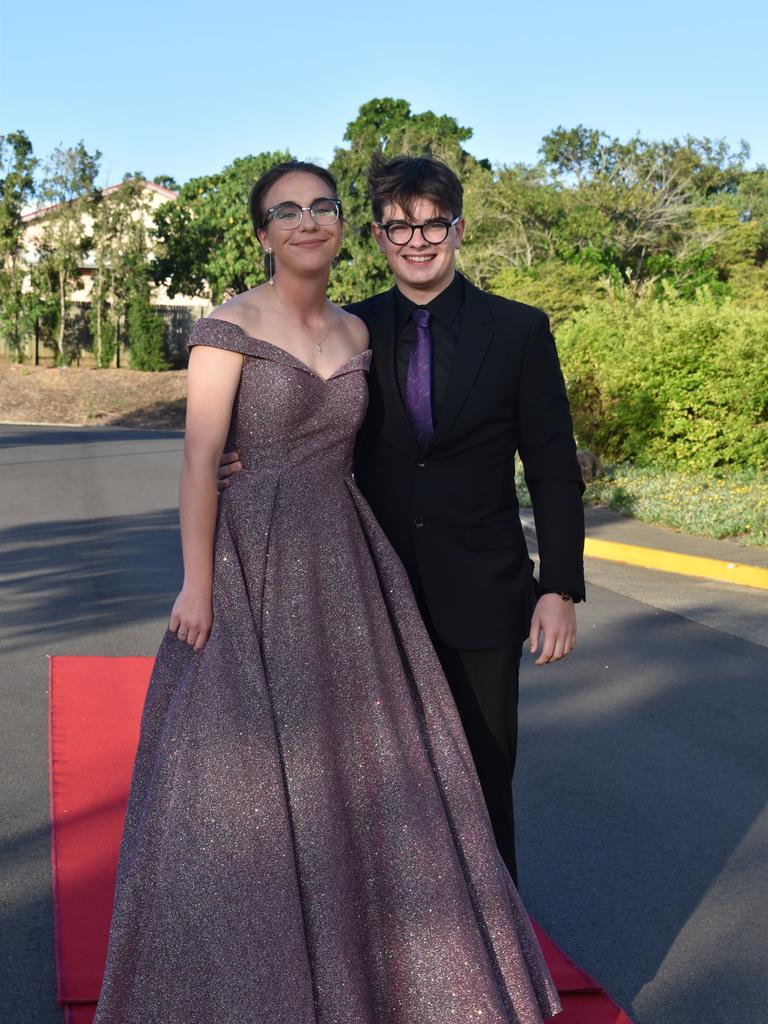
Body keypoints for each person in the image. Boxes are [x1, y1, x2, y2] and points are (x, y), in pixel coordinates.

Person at [93, 159, 560, 1023]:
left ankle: (388, 964)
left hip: (348, 565)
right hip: (252, 563)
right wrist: (197, 583)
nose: (309, 221)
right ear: (263, 232)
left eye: (323, 206)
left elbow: (452, 443)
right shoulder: (225, 328)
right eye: (287, 211)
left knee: (364, 771)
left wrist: (554, 581)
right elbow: (200, 459)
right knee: (243, 779)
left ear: (346, 226)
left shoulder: (360, 333)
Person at [220, 153, 586, 884]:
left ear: (458, 228)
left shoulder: (519, 331)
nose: (417, 243)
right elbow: (301, 424)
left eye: (433, 226)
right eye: (399, 228)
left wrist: (560, 587)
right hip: (365, 596)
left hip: (483, 598)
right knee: (378, 792)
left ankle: (492, 978)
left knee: (484, 785)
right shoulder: (351, 329)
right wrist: (247, 458)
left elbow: (551, 468)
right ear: (379, 237)